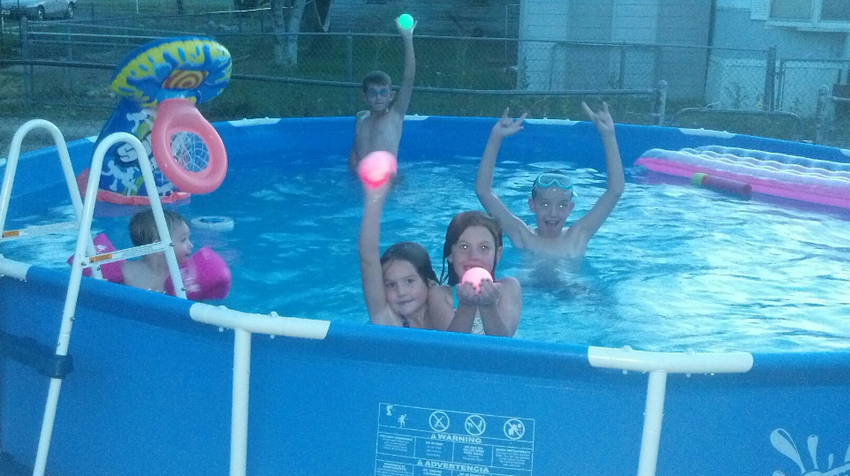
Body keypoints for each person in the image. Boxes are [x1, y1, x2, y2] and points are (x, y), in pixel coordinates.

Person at [475, 102, 625, 259]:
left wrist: (608, 136)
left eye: (562, 205)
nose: (553, 213)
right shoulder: (523, 236)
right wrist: (495, 137)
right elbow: (483, 191)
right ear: (532, 205)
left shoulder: (577, 237)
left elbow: (615, 191)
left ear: (570, 208)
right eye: (545, 204)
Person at [358, 178, 447, 329]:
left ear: (430, 281)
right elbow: (368, 260)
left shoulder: (447, 312)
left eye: (409, 281)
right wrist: (374, 198)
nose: (401, 292)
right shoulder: (388, 320)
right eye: (391, 285)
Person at [429, 211, 522, 337]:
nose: (474, 256)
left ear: (497, 254)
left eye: (484, 248)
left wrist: (489, 305)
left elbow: (503, 343)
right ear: (450, 254)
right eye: (464, 247)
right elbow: (452, 345)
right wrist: (466, 305)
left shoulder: (508, 288)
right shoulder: (440, 295)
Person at [348, 16, 416, 170]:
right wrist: (350, 175)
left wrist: (407, 38)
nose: (378, 97)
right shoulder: (360, 118)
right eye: (373, 93)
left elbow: (409, 78)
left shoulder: (395, 116)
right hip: (360, 180)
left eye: (383, 92)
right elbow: (354, 153)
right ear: (365, 97)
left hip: (388, 182)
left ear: (391, 96)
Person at [121, 209, 193, 293]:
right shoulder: (127, 272)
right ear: (158, 247)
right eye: (183, 240)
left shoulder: (185, 275)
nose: (191, 245)